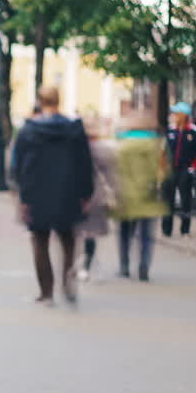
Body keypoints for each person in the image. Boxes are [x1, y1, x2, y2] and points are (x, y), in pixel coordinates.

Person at [13, 86, 93, 305]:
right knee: (68, 240)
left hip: (37, 193)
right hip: (68, 191)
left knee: (40, 241)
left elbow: (20, 166)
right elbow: (85, 164)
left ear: (40, 101)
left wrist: (23, 196)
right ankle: (68, 282)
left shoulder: (28, 131)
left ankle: (46, 292)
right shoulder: (74, 129)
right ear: (59, 100)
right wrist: (86, 193)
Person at [110, 113, 169, 282]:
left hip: (126, 196)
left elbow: (114, 171)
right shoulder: (156, 145)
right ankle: (144, 267)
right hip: (149, 196)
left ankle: (124, 266)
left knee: (124, 233)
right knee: (146, 235)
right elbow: (164, 171)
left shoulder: (122, 145)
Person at [77, 118, 115, 281]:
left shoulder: (75, 148)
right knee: (89, 233)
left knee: (83, 232)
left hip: (80, 195)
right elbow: (110, 174)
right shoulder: (101, 149)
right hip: (93, 195)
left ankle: (85, 263)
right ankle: (86, 263)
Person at [161, 101, 196, 237]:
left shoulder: (194, 131)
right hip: (170, 169)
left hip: (185, 169)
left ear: (183, 115)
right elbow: (163, 151)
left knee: (186, 200)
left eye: (176, 113)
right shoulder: (170, 130)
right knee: (167, 200)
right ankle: (166, 230)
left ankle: (185, 230)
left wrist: (193, 168)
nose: (173, 116)